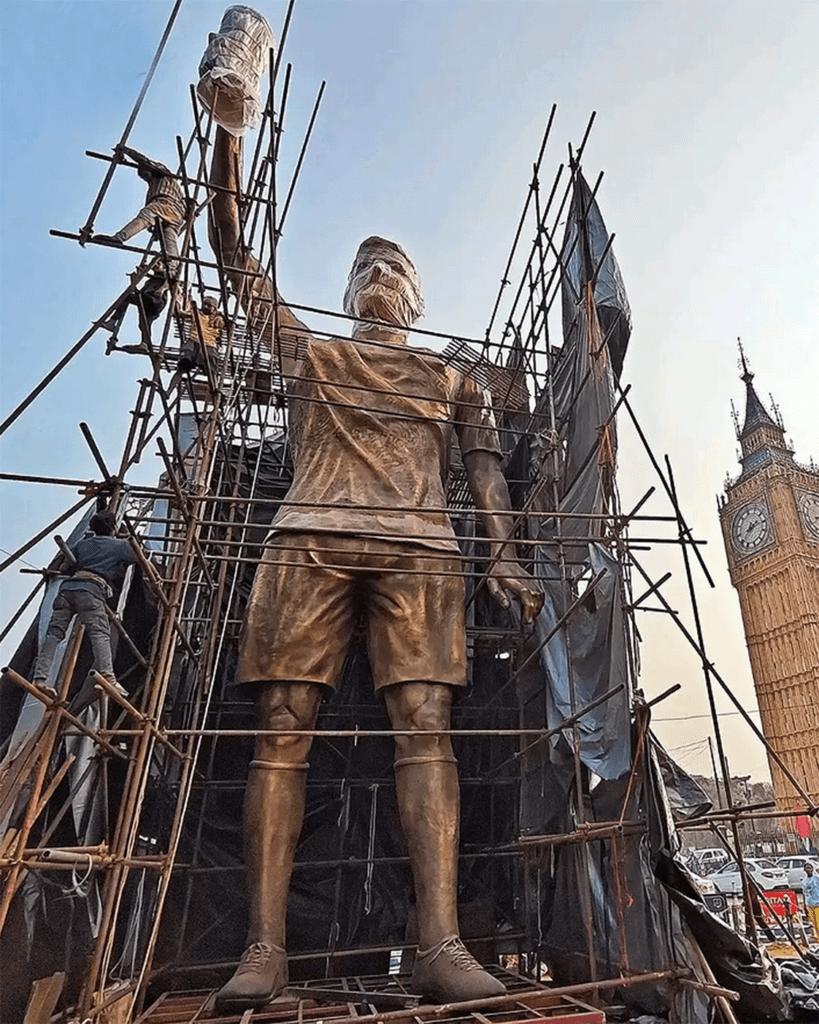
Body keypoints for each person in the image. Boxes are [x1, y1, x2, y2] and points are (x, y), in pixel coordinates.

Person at [208, 125, 544, 1012]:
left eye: (394, 268)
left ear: (417, 299)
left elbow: (484, 472)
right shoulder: (311, 353)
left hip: (421, 546)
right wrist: (229, 135)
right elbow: (236, 260)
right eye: (365, 267)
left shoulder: (451, 377)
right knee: (281, 727)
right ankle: (264, 948)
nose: (378, 276)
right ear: (347, 289)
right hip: (307, 537)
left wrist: (503, 555)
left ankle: (439, 943)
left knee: (426, 727)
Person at [32, 510, 138, 696]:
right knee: (100, 633)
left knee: (54, 633)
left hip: (67, 590)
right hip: (91, 591)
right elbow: (137, 558)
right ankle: (108, 676)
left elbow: (64, 567)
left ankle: (39, 678)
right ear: (113, 528)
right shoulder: (119, 545)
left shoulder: (82, 544)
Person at [94, 145, 185, 273]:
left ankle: (120, 238)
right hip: (176, 214)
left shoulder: (163, 174)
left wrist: (126, 151)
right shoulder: (161, 184)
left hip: (165, 204)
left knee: (146, 214)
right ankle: (172, 268)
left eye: (145, 174)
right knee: (169, 239)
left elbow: (145, 161)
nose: (145, 177)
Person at [177, 294, 225, 373]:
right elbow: (181, 314)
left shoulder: (218, 319)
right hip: (194, 340)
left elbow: (227, 326)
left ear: (214, 308)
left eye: (209, 305)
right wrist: (178, 301)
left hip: (209, 344)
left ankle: (210, 374)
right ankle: (185, 365)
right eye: (204, 304)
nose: (205, 307)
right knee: (186, 357)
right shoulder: (197, 313)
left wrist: (224, 317)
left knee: (211, 363)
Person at [803, 862, 819, 942]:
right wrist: (804, 906)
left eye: (809, 867)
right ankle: (817, 937)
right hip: (809, 904)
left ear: (812, 869)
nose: (808, 869)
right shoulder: (804, 880)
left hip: (817, 903)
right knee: (813, 922)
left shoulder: (817, 878)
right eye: (807, 868)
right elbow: (804, 893)